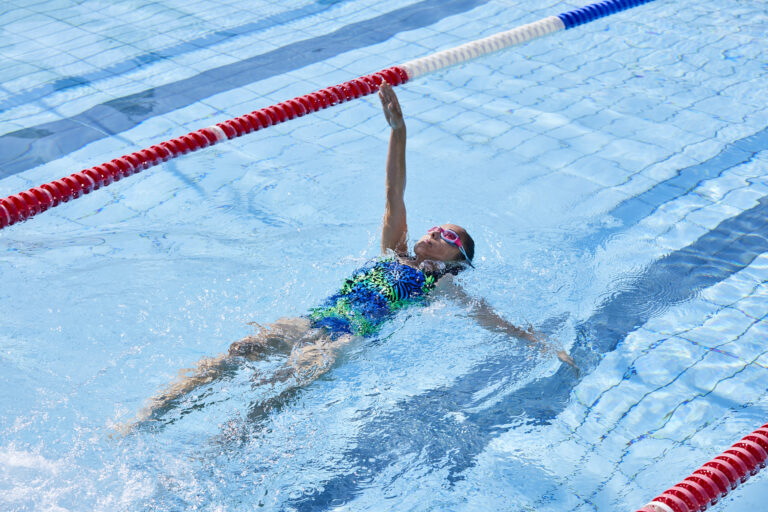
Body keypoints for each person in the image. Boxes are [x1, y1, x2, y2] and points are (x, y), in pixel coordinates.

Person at [129, 82, 574, 428]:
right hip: (317, 318)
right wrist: (398, 132)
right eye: (435, 226)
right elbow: (393, 194)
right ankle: (153, 413)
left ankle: (228, 440)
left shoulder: (443, 284)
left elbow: (489, 318)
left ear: (457, 260)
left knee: (284, 385)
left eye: (447, 235)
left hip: (347, 338)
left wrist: (539, 342)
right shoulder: (394, 252)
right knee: (238, 351)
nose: (433, 232)